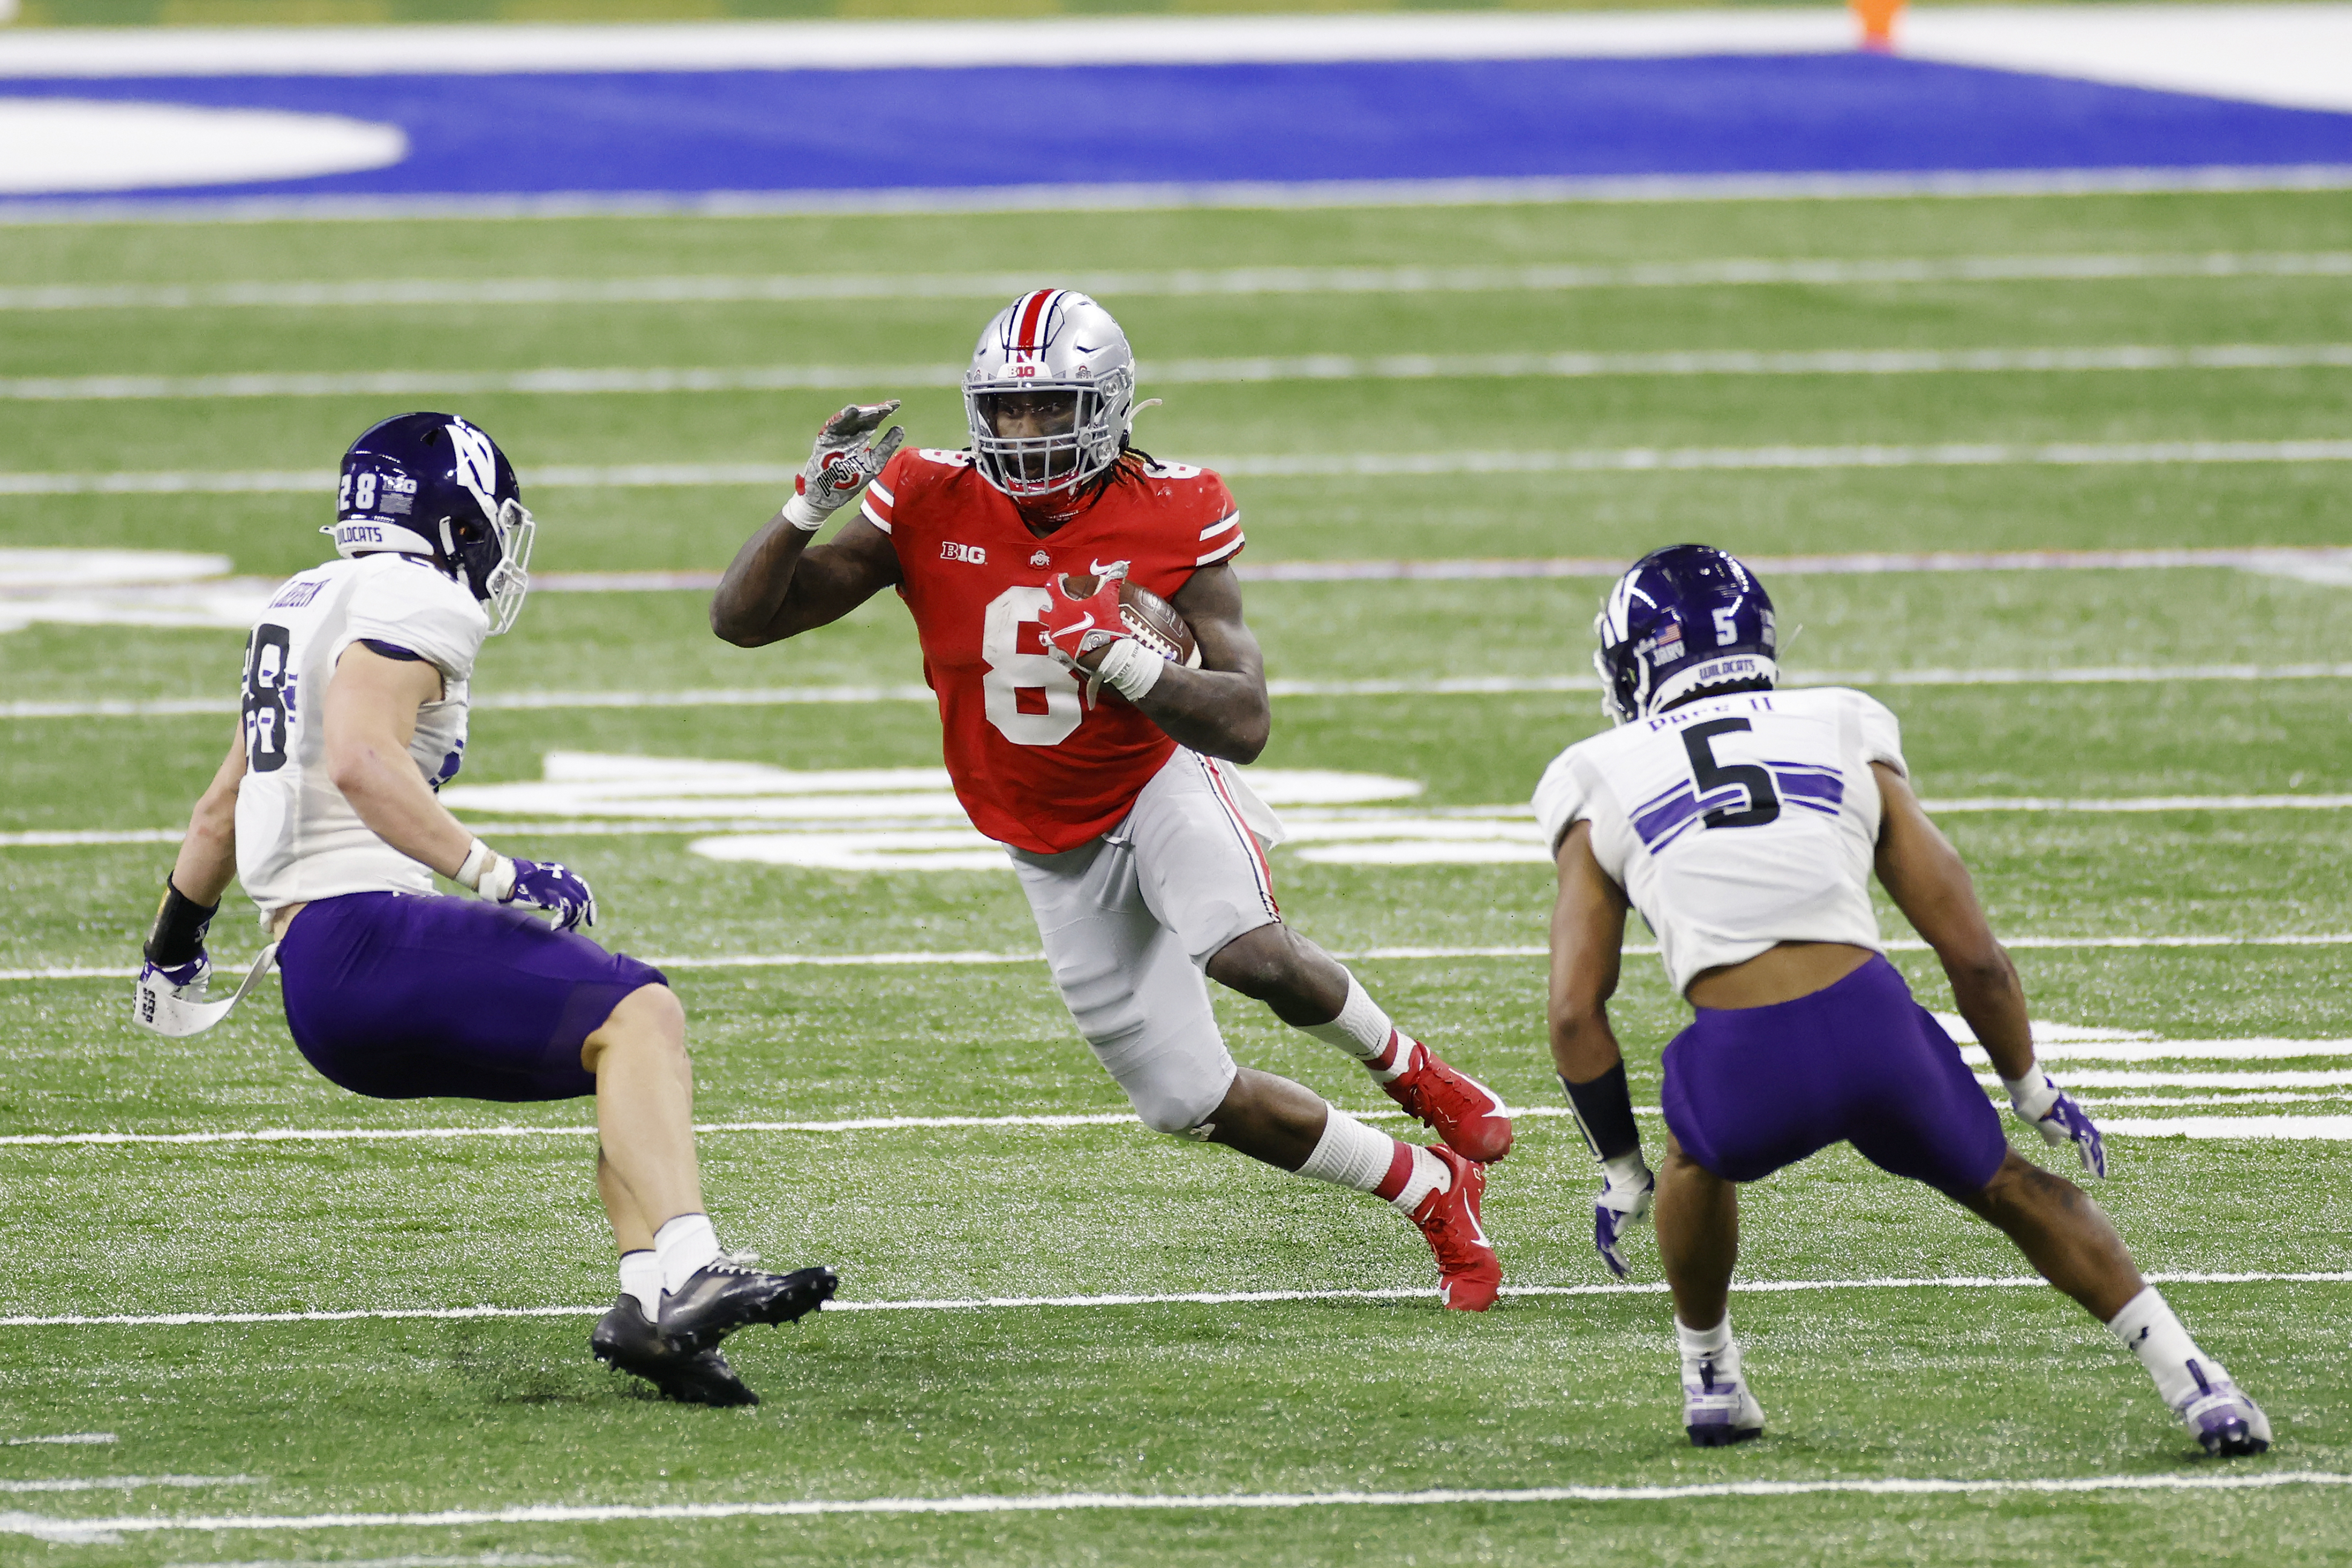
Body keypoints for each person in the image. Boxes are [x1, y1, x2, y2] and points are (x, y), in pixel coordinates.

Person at [711, 289, 1509, 1309]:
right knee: (1183, 1100)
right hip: (1043, 836)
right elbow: (745, 623)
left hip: (1154, 778)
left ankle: (1415, 1073)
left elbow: (1247, 721)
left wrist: (1130, 668)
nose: (1027, 431)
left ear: (1113, 406)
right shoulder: (923, 492)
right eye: (1007, 409)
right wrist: (804, 507)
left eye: (1053, 410)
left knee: (1246, 950)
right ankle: (1428, 1188)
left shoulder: (1179, 506)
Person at [134, 411, 835, 1406]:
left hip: (317, 989)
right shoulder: (415, 594)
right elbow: (362, 760)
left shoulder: (303, 601)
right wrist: (497, 872)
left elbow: (219, 811)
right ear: (459, 519)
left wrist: (171, 945)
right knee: (643, 1014)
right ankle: (690, 1267)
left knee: (622, 1046)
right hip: (368, 938)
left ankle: (648, 1316)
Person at [1536, 543, 2271, 1454]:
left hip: (1741, 1057)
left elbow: (1575, 1011)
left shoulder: (1596, 773)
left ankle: (1712, 1376)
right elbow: (1976, 957)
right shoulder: (1843, 725)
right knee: (2016, 1187)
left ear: (1632, 661)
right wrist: (2031, 1085)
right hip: (1875, 1031)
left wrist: (1620, 1167)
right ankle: (2199, 1382)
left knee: (1695, 1157)